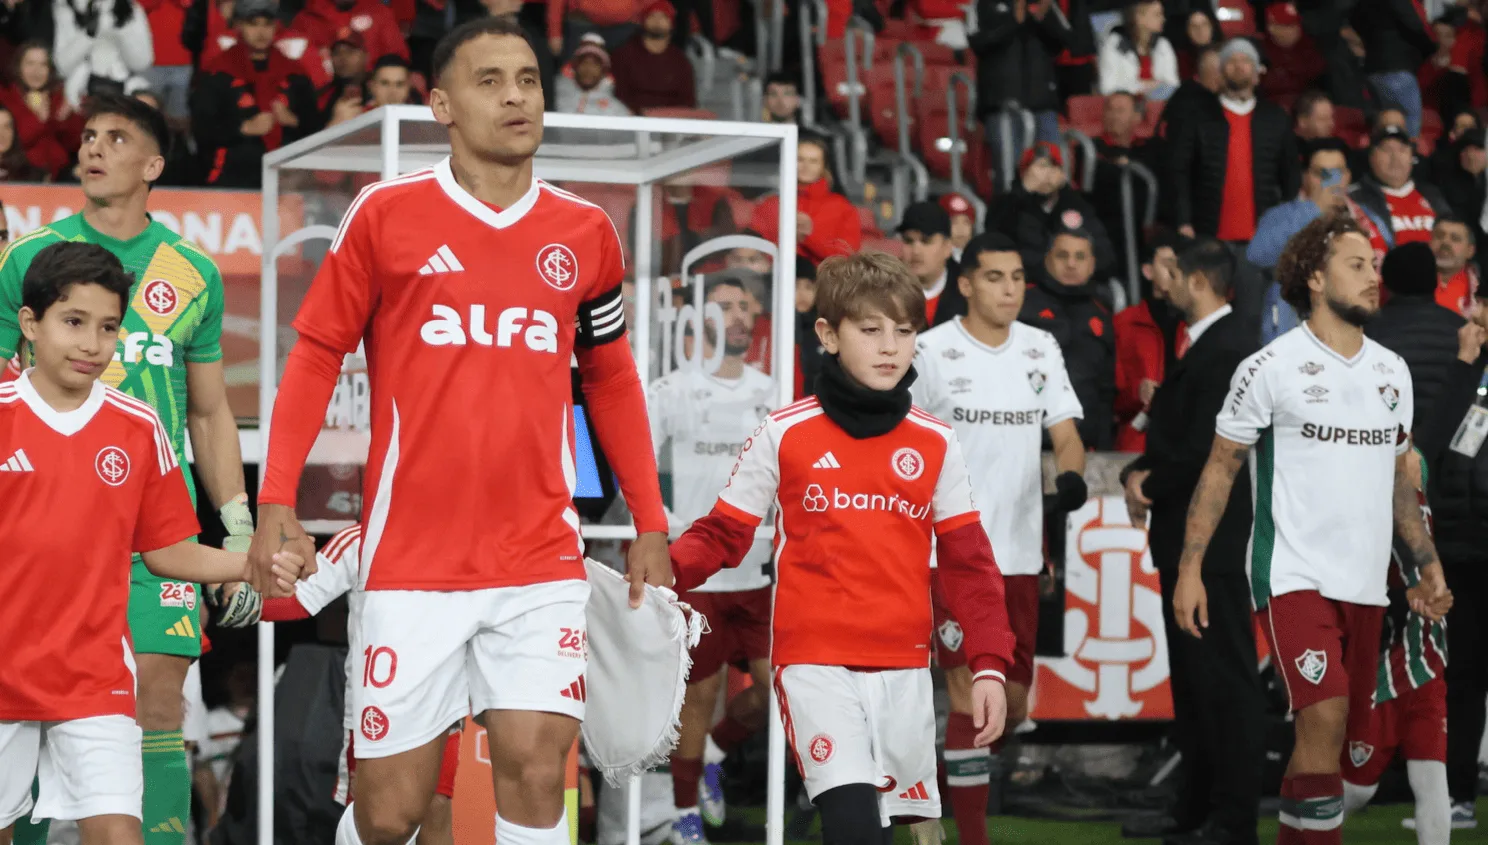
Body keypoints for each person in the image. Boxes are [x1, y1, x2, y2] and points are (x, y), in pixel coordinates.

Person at [245, 18, 673, 845]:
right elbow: (315, 356)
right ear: (440, 104)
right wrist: (274, 500)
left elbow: (611, 377)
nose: (516, 96)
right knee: (391, 813)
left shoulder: (586, 231)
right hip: (411, 558)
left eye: (527, 79)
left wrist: (650, 520)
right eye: (490, 81)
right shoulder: (385, 214)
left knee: (538, 767)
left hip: (539, 553)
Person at [667, 251, 1015, 845]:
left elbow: (970, 565)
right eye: (870, 329)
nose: (890, 346)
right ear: (828, 334)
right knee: (853, 827)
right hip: (814, 665)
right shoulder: (785, 432)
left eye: (904, 332)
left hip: (905, 668)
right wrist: (660, 573)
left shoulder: (936, 443)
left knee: (889, 833)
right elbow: (724, 533)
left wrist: (988, 664)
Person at [0, 93, 254, 845]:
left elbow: (208, 412)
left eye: (115, 138)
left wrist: (235, 521)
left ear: (153, 165)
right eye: (85, 137)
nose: (92, 148)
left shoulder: (194, 271)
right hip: (43, 531)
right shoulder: (28, 260)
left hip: (152, 528)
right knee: (37, 709)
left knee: (156, 703)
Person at [0, 241, 302, 845]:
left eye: (108, 327)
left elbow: (165, 551)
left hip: (96, 680)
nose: (91, 344)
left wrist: (248, 564)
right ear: (29, 324)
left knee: (118, 833)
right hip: (3, 676)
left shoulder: (138, 427)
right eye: (74, 322)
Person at [1174, 213, 1451, 845]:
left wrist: (1426, 561)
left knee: (1334, 751)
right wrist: (1190, 568)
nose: (1373, 277)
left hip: (1367, 585)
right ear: (1317, 278)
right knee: (1321, 717)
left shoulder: (1392, 372)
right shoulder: (1270, 366)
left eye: (1375, 266)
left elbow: (1400, 482)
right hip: (1292, 573)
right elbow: (1220, 469)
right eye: (1358, 265)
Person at [912, 234, 1087, 845]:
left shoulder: (1041, 349)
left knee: (1011, 705)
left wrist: (1069, 475)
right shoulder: (930, 352)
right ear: (965, 284)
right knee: (967, 695)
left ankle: (915, 785)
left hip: (1017, 552)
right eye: (994, 277)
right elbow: (905, 442)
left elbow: (1065, 431)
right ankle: (971, 836)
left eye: (1016, 277)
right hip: (951, 552)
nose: (1009, 289)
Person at [1120, 239, 1264, 845]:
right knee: (1198, 681)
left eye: (1170, 274)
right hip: (1190, 542)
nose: (1160, 283)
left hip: (1216, 548)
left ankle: (1233, 818)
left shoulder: (1228, 349)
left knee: (1224, 681)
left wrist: (1147, 475)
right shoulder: (1209, 347)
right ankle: (1198, 809)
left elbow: (1213, 451)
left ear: (1198, 280)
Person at [222, 525, 462, 845]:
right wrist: (241, 599)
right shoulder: (362, 538)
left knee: (437, 807)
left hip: (444, 698)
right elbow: (299, 600)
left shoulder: (468, 540)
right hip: (376, 706)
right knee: (373, 820)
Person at [648, 273, 776, 845]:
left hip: (761, 569)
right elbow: (638, 469)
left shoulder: (772, 392)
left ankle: (718, 754)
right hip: (697, 572)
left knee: (784, 686)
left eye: (746, 306)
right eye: (726, 305)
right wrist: (660, 535)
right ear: (698, 318)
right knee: (695, 699)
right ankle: (684, 817)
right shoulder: (670, 390)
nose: (739, 316)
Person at [1340, 446, 1452, 845]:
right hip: (1381, 668)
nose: (1416, 471)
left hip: (1427, 660)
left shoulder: (1418, 509)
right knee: (1357, 788)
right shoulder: (1370, 513)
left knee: (1432, 779)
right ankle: (1302, 827)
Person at [1168, 38, 1300, 243]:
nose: (1239, 66)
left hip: (1263, 238)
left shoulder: (1276, 118)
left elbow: (1290, 174)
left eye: (1246, 60)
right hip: (1208, 235)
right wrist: (1183, 221)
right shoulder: (1197, 117)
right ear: (1220, 73)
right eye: (1231, 60)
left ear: (1258, 73)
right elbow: (1180, 172)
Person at [191, 0, 319, 189]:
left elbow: (317, 129)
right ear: (240, 25)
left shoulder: (295, 74)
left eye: (267, 24)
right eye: (253, 23)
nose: (261, 32)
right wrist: (242, 128)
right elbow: (201, 128)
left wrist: (294, 121)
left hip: (287, 180)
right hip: (231, 180)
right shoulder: (218, 72)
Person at [1020, 227, 1116, 450]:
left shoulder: (1102, 313)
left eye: (1080, 257)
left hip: (1084, 445)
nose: (1071, 264)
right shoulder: (1021, 303)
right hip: (1025, 442)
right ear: (1047, 259)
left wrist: (1103, 447)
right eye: (1063, 255)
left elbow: (1106, 391)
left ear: (1092, 264)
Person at [1365, 242, 1467, 423]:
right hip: (1448, 436)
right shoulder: (1463, 330)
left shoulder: (1367, 329)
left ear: (1386, 280)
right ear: (1434, 279)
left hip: (1389, 437)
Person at [1113, 232, 1184, 452]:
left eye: (1180, 266)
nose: (1175, 272)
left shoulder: (1197, 323)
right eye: (1167, 265)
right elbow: (1110, 396)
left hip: (1185, 443)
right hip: (1139, 442)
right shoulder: (1125, 323)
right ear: (1147, 271)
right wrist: (1138, 392)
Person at [1348, 126, 1454, 247]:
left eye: (1402, 150)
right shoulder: (1356, 199)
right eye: (1386, 150)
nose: (1395, 157)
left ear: (1412, 157)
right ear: (1372, 157)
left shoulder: (1433, 195)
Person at [897, 201, 965, 328]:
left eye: (926, 241)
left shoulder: (969, 292)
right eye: (908, 241)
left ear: (947, 247)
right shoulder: (884, 290)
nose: (916, 251)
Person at [1097, 0, 1179, 99]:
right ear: (1139, 18)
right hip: (1126, 106)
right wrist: (1145, 86)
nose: (1163, 19)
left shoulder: (1163, 45)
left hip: (1159, 105)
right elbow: (1107, 88)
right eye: (1157, 15)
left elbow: (1173, 85)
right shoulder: (1114, 44)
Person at [1430, 215, 1478, 316]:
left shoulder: (1479, 289)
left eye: (1455, 239)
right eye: (1439, 236)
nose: (1445, 242)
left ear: (1470, 251)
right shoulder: (1407, 282)